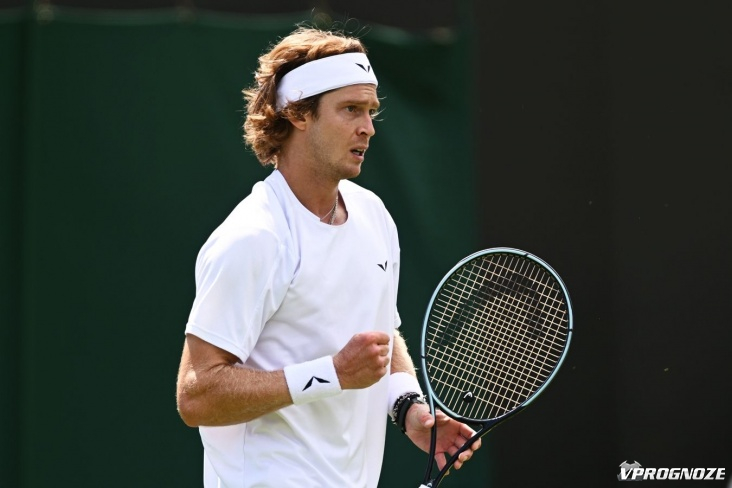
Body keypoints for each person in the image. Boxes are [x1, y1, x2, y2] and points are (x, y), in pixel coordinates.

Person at [175, 26, 481, 488]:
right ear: (299, 113)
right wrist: (331, 374)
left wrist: (409, 408)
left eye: (371, 111)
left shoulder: (373, 216)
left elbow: (381, 333)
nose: (368, 128)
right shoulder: (254, 236)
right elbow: (197, 395)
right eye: (351, 109)